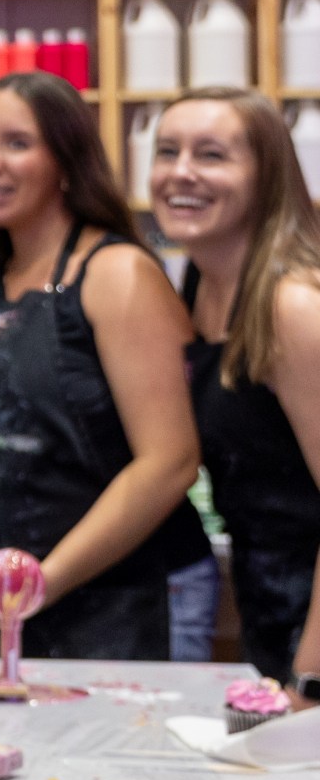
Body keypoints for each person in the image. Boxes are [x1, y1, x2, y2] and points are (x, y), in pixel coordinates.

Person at [0, 71, 202, 661]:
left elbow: (170, 462)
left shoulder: (116, 274)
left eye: (17, 143)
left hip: (97, 614)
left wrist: (41, 582)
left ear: (66, 163)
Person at [149, 88, 320, 683]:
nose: (181, 173)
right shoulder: (199, 285)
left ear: (266, 175)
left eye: (212, 155)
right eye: (167, 151)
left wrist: (310, 677)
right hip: (269, 620)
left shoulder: (291, 306)